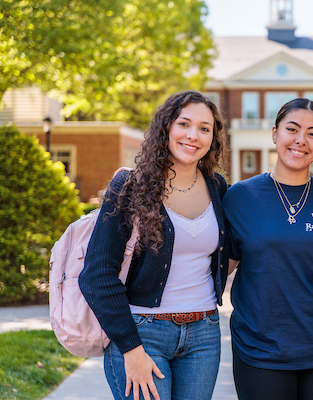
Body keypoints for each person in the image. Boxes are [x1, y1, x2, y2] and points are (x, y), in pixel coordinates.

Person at [79, 90, 229, 400]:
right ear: (166, 128)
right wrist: (130, 349)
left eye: (204, 128)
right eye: (184, 124)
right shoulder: (130, 187)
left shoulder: (217, 187)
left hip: (204, 334)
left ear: (213, 139)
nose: (193, 135)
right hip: (143, 332)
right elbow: (97, 273)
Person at [223, 98, 313, 400]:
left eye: (312, 133)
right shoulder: (240, 197)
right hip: (259, 351)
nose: (301, 140)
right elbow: (222, 268)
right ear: (274, 133)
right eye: (292, 129)